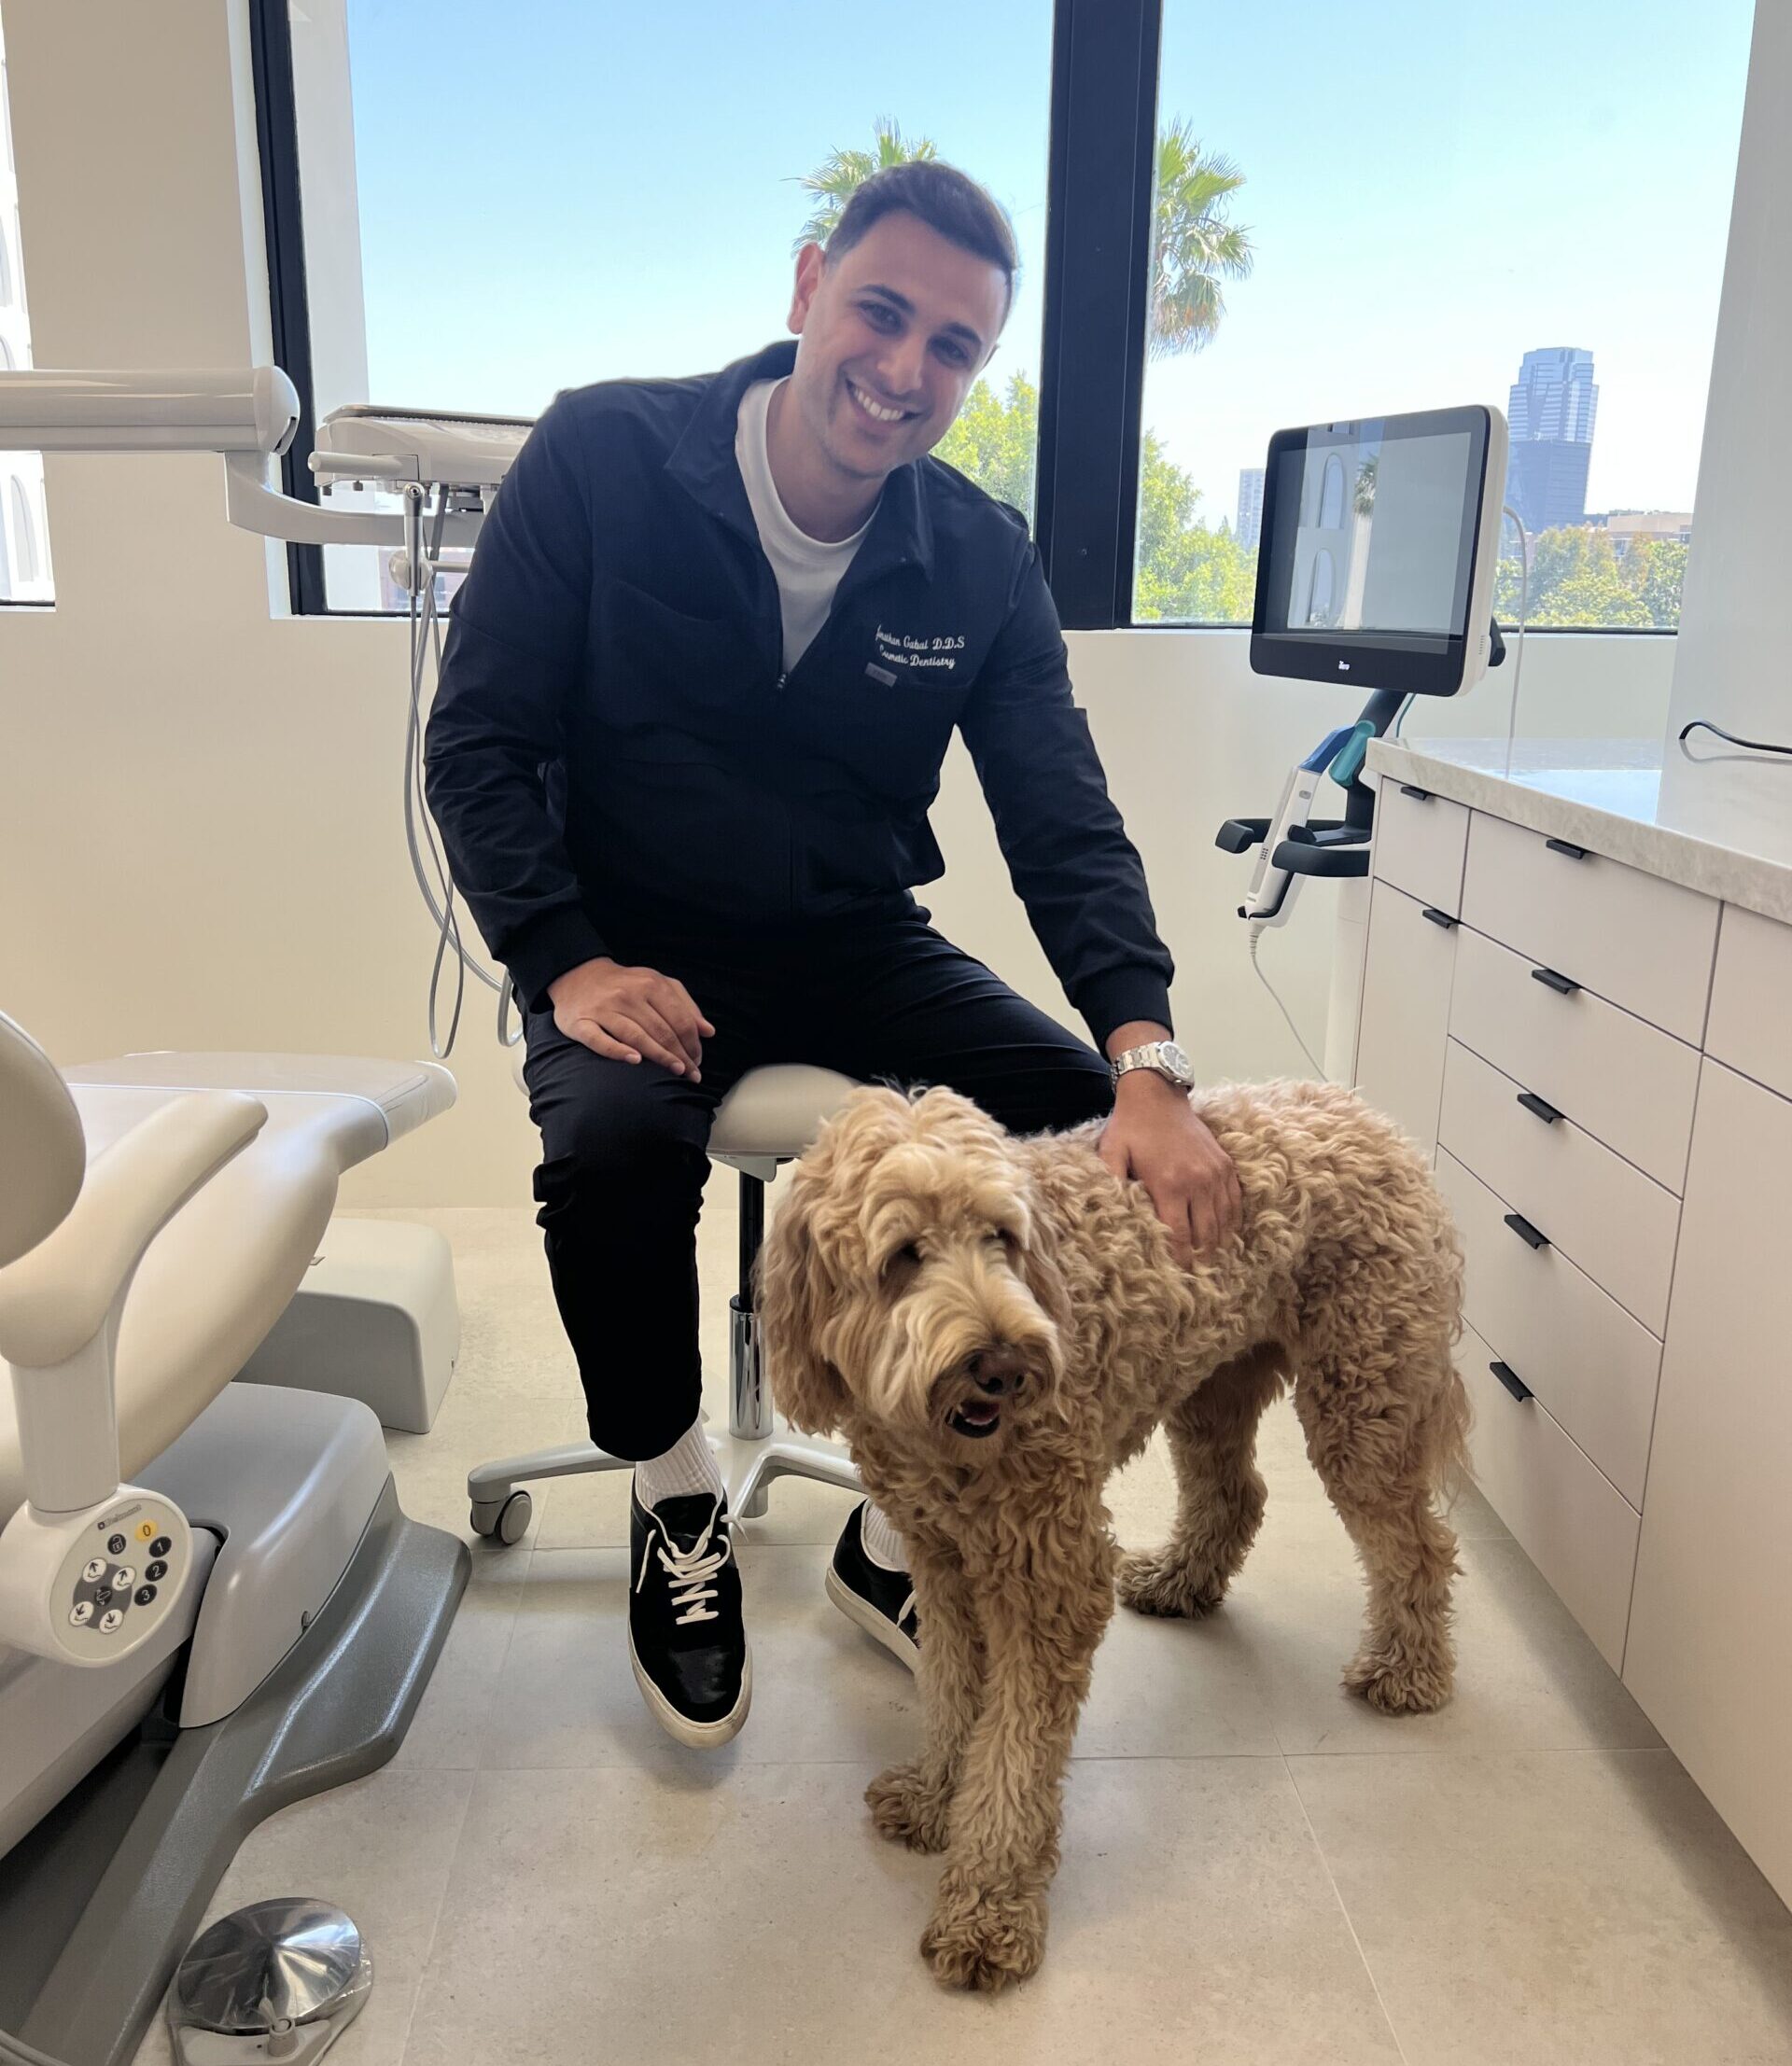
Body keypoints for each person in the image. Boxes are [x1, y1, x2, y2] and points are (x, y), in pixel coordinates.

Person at [424, 160, 1241, 1750]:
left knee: (1081, 1130)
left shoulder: (976, 556)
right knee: (610, 1150)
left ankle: (893, 1522)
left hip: (850, 938)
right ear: (808, 286)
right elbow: (479, 743)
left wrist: (1147, 1058)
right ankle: (675, 1496)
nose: (904, 367)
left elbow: (1061, 816)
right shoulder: (603, 455)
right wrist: (564, 960)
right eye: (881, 311)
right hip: (631, 945)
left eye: (953, 346)